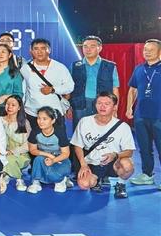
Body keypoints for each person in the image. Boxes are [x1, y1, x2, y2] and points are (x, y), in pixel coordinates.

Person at [72, 92, 135, 198]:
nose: (102, 106)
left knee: (127, 166)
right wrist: (83, 165)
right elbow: (77, 145)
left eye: (107, 104)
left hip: (113, 162)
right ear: (95, 105)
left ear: (114, 107)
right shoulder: (84, 121)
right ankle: (97, 180)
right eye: (99, 103)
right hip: (92, 162)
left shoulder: (123, 127)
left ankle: (120, 184)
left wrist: (115, 155)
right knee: (84, 184)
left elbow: (129, 151)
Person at [19, 38, 74, 136]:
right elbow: (23, 90)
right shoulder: (25, 68)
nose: (39, 52)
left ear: (49, 50)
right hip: (32, 113)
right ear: (31, 51)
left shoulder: (60, 67)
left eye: (43, 48)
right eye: (36, 48)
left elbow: (70, 86)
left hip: (54, 113)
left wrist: (53, 90)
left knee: (58, 141)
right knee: (34, 142)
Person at [126, 39, 161, 188]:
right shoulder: (139, 69)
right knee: (144, 148)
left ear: (159, 52)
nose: (147, 52)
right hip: (140, 115)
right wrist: (129, 108)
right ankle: (147, 174)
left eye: (151, 50)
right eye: (145, 49)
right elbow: (132, 90)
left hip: (159, 116)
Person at [69, 35, 120, 128]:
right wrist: (68, 106)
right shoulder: (75, 66)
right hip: (80, 105)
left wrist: (115, 107)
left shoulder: (110, 66)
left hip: (102, 105)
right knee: (80, 131)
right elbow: (69, 88)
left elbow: (115, 89)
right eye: (85, 46)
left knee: (102, 131)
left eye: (92, 46)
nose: (88, 49)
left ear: (99, 48)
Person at [25, 107, 71, 194]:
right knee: (38, 159)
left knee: (56, 176)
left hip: (60, 159)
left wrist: (53, 160)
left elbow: (66, 153)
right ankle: (36, 182)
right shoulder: (35, 131)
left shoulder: (59, 132)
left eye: (44, 119)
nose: (40, 121)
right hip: (44, 157)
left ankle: (61, 180)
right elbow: (32, 150)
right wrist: (48, 155)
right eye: (39, 118)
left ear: (53, 120)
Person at [0, 95, 31, 192]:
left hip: (20, 155)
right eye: (7, 104)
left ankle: (19, 179)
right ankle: (7, 174)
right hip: (1, 152)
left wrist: (13, 151)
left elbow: (28, 145)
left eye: (13, 105)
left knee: (9, 159)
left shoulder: (24, 123)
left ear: (19, 107)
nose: (9, 107)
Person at [0, 44, 24, 117]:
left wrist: (6, 97)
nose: (0, 54)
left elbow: (19, 94)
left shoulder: (15, 73)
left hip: (7, 109)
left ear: (9, 55)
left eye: (3, 52)